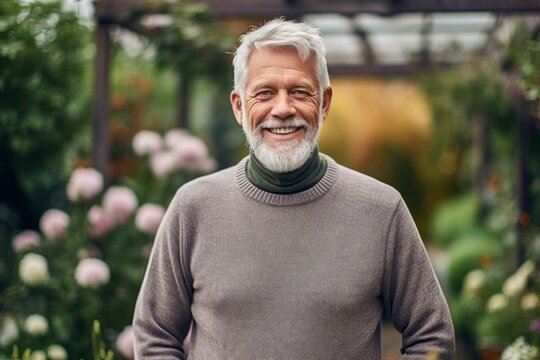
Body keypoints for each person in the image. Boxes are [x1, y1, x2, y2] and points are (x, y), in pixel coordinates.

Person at [133, 18, 455, 359]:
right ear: (239, 107)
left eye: (300, 92)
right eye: (265, 93)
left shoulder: (381, 210)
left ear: (324, 103)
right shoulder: (193, 207)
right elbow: (155, 336)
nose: (283, 108)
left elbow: (431, 336)